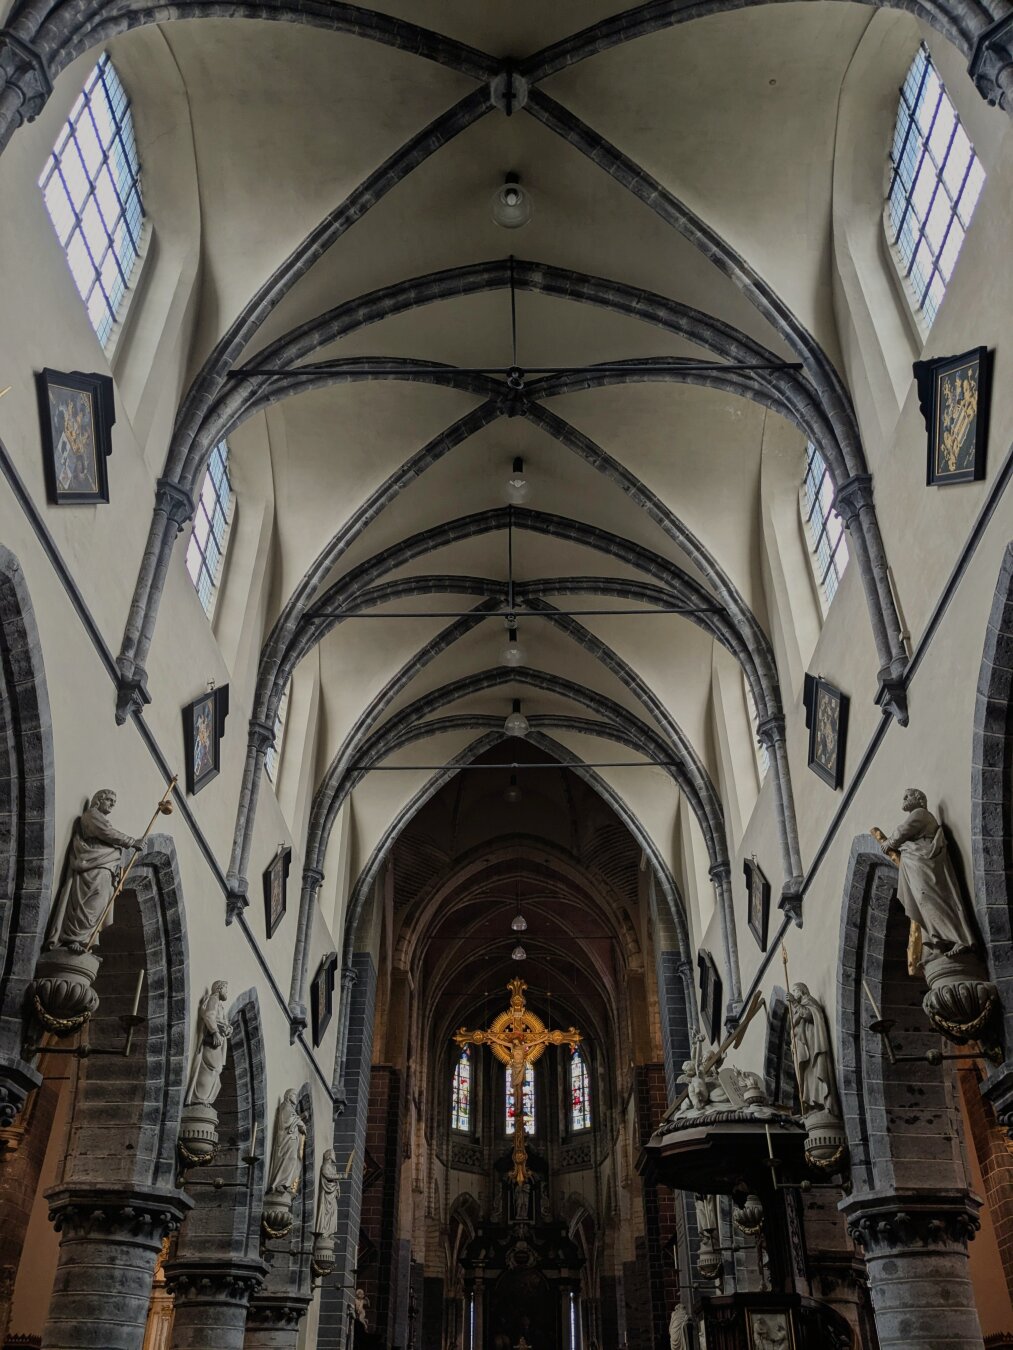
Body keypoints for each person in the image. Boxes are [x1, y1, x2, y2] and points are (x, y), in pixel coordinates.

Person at [875, 790, 978, 959]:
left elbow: (903, 831)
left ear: (919, 799)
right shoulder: (917, 814)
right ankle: (937, 944)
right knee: (922, 905)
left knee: (932, 899)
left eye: (908, 796)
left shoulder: (920, 813)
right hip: (916, 865)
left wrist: (889, 843)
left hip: (924, 863)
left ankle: (959, 938)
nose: (904, 799)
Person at [44, 789, 141, 951]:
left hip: (104, 866)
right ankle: (72, 939)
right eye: (109, 800)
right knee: (88, 902)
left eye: (114, 802)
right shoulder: (92, 815)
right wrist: (131, 842)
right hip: (92, 866)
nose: (112, 804)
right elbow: (106, 832)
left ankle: (85, 940)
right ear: (98, 800)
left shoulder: (102, 818)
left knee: (99, 903)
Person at [788, 983, 841, 1119]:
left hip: (812, 1046)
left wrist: (794, 1003)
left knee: (817, 1072)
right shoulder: (797, 1007)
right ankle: (814, 1105)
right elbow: (794, 1023)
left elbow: (809, 1015)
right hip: (804, 1050)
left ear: (803, 991)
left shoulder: (810, 1002)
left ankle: (824, 1104)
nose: (794, 993)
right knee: (807, 1078)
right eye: (793, 991)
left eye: (795, 991)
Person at [185, 981, 231, 1106]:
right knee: (212, 1067)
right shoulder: (213, 999)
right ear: (219, 989)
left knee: (216, 1069)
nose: (227, 991)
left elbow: (220, 1020)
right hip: (212, 1040)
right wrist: (215, 1032)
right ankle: (199, 1098)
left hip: (218, 1041)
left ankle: (204, 1098)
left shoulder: (220, 1005)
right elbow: (209, 1015)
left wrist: (227, 1029)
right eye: (225, 988)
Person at [267, 1088, 307, 1195]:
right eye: (294, 1095)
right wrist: (300, 1120)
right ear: (288, 1096)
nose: (296, 1097)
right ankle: (279, 1184)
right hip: (286, 1140)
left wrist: (299, 1122)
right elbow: (286, 1121)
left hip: (292, 1139)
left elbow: (294, 1120)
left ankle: (286, 1184)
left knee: (293, 1160)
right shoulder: (285, 1107)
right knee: (288, 1159)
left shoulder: (291, 1110)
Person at [315, 1148, 340, 1238]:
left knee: (334, 1210)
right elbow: (328, 1176)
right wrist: (340, 1176)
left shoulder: (333, 1167)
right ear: (329, 1156)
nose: (335, 1155)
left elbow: (335, 1181)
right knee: (326, 1211)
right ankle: (324, 1231)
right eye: (334, 1154)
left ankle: (330, 1232)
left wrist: (337, 1187)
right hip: (327, 1195)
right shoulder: (325, 1166)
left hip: (332, 1194)